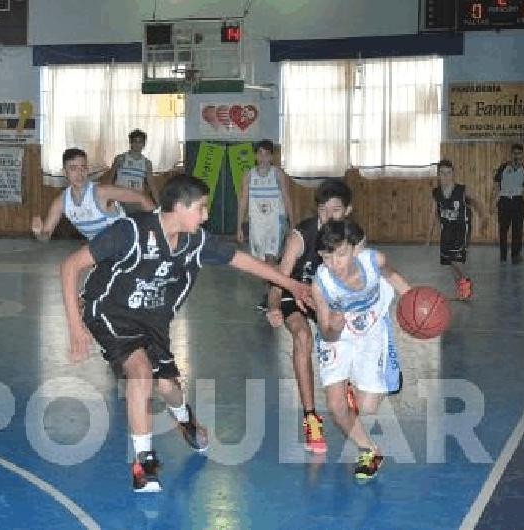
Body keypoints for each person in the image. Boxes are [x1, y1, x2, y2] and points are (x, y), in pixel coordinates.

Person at [60, 175, 313, 493]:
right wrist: (74, 325)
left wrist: (291, 285)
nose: (206, 216)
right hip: (108, 311)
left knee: (168, 387)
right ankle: (144, 463)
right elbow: (70, 266)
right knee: (140, 374)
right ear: (179, 208)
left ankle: (186, 420)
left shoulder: (195, 241)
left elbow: (243, 261)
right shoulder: (131, 231)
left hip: (152, 319)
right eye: (201, 208)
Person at [311, 219, 411, 480]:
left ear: (354, 249)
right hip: (339, 338)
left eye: (341, 254)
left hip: (372, 329)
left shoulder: (373, 260)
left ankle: (366, 385)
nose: (335, 264)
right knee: (336, 407)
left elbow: (393, 276)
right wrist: (334, 325)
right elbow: (325, 332)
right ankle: (369, 450)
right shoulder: (320, 285)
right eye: (327, 257)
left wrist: (414, 301)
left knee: (367, 408)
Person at [265, 178, 354, 454]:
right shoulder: (300, 236)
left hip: (324, 296)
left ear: (347, 211)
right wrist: (273, 306)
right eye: (323, 210)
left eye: (335, 210)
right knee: (302, 337)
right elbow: (278, 278)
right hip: (293, 291)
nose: (329, 216)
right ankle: (311, 418)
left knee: (344, 333)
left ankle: (347, 384)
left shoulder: (350, 238)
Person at [32, 148, 155, 241]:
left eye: (83, 168)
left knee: (71, 266)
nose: (79, 174)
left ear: (87, 170)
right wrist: (38, 233)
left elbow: (142, 198)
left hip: (126, 243)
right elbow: (45, 236)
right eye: (73, 168)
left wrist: (158, 229)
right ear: (64, 172)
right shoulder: (61, 202)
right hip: (102, 250)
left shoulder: (102, 192)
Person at [235, 139, 295, 311]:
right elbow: (243, 201)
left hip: (275, 220)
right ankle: (271, 291)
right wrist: (239, 226)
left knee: (271, 258)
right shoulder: (249, 175)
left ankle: (271, 296)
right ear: (255, 155)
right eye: (260, 153)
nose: (263, 157)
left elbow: (286, 198)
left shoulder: (278, 174)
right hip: (257, 223)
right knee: (261, 263)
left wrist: (293, 223)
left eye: (266, 154)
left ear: (271, 156)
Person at [426, 159, 487, 300]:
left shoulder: (462, 190)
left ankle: (466, 280)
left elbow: (478, 201)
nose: (446, 176)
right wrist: (428, 238)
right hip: (446, 231)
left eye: (449, 173)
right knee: (450, 264)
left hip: (461, 230)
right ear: (438, 175)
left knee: (455, 260)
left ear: (453, 174)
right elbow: (431, 215)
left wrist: (484, 217)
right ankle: (462, 291)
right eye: (442, 173)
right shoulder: (436, 193)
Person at [492, 143, 524, 264]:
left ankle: (515, 255)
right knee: (503, 229)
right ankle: (503, 256)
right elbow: (496, 184)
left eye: (519, 153)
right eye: (514, 153)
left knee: (517, 230)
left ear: (522, 155)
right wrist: (496, 198)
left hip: (518, 201)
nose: (516, 156)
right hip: (504, 201)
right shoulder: (503, 167)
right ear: (511, 154)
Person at [104, 129, 155, 210]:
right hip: (119, 199)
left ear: (144, 144)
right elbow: (110, 179)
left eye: (140, 142)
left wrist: (159, 205)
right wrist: (106, 198)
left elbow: (152, 185)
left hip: (136, 201)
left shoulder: (147, 163)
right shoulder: (120, 158)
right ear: (130, 142)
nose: (137, 144)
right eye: (135, 141)